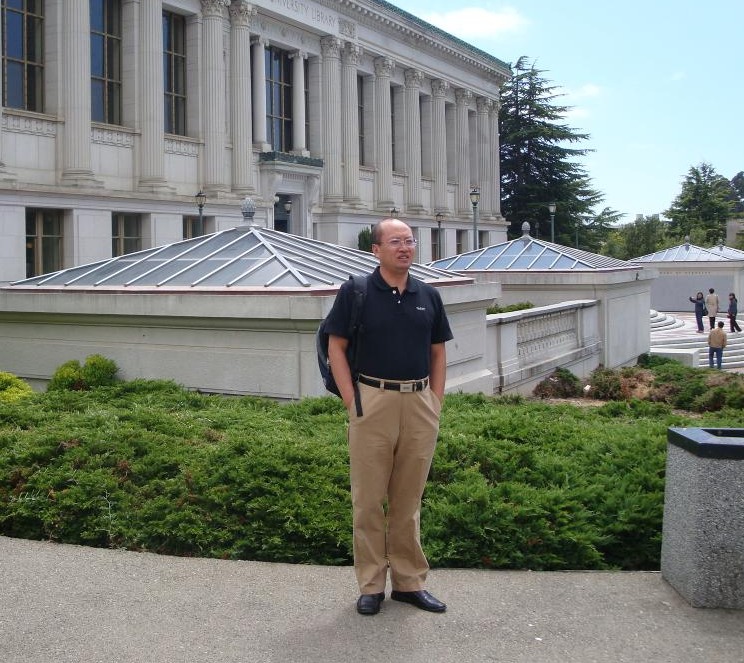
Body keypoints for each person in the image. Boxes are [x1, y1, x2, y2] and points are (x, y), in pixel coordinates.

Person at [325, 218, 453, 616]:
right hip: (373, 401)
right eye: (395, 241)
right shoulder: (357, 292)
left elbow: (437, 352)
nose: (404, 247)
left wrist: (434, 401)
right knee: (367, 501)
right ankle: (370, 585)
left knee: (408, 501)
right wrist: (352, 402)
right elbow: (335, 347)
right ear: (376, 249)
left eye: (409, 241)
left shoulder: (428, 295)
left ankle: (409, 583)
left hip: (418, 404)